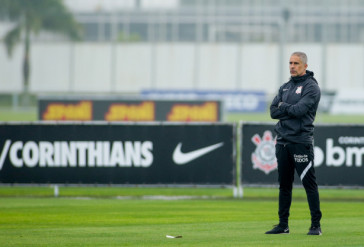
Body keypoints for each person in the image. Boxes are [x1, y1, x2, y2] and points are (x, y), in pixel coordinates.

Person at [265, 51, 322, 235]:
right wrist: (284, 108)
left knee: (309, 185)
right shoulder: (285, 87)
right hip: (282, 142)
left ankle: (315, 225)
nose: (292, 66)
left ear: (305, 66)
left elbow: (299, 111)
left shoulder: (311, 87)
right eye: (290, 63)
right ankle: (283, 225)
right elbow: (273, 111)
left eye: (296, 63)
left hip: (300, 142)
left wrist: (284, 107)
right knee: (284, 185)